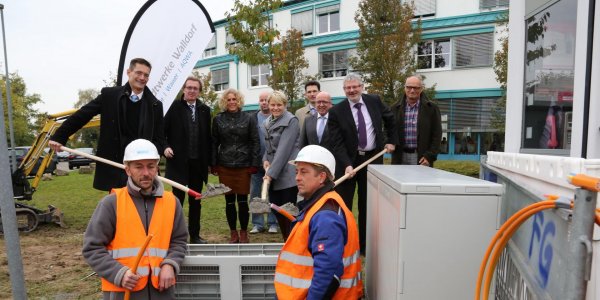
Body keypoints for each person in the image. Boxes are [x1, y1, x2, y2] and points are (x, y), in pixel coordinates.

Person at [82, 139, 188, 299]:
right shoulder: (111, 203)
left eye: (151, 166)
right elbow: (92, 248)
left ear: (157, 168)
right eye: (138, 166)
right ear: (128, 170)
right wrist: (119, 273)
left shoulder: (172, 202)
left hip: (162, 291)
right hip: (123, 292)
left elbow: (179, 241)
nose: (146, 173)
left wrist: (170, 264)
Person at [49, 58, 166, 191]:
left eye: (146, 75)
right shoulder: (110, 96)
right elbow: (82, 115)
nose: (142, 77)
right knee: (116, 209)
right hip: (115, 168)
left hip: (141, 170)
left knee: (143, 210)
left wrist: (152, 163)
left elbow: (159, 139)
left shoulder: (155, 105)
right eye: (138, 73)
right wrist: (60, 136)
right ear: (129, 72)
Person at [274, 145, 363, 299]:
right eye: (296, 171)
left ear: (321, 177)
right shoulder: (318, 206)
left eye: (304, 171)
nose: (297, 177)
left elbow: (327, 275)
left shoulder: (326, 216)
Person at [327, 73, 398, 255]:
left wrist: (392, 141)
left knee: (368, 205)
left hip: (373, 159)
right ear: (344, 90)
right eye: (347, 88)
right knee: (344, 205)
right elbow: (336, 142)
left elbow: (390, 119)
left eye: (355, 87)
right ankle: (344, 244)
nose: (351, 91)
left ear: (362, 86)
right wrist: (346, 164)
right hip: (348, 162)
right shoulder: (336, 111)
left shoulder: (374, 101)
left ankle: (365, 246)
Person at [163, 76, 212, 244]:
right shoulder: (173, 107)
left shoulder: (205, 110)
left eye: (195, 88)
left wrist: (210, 162)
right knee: (176, 203)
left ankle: (195, 236)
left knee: (196, 203)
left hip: (197, 166)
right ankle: (175, 237)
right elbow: (161, 132)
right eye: (189, 87)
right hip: (178, 164)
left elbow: (208, 138)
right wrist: (165, 147)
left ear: (199, 91)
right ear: (184, 89)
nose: (192, 91)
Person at [211, 88, 260, 243]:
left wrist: (254, 163)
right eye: (229, 99)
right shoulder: (218, 119)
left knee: (243, 200)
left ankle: (244, 232)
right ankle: (233, 232)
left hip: (244, 165)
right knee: (229, 201)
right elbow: (214, 143)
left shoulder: (249, 118)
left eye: (234, 99)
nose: (232, 102)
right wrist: (213, 164)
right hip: (225, 165)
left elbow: (255, 141)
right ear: (224, 102)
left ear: (239, 101)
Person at [262, 91, 300, 241]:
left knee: (288, 213)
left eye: (279, 105)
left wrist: (270, 174)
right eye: (273, 104)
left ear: (285, 105)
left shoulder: (292, 121)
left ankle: (292, 242)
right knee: (277, 209)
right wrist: (265, 160)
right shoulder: (267, 122)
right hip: (273, 172)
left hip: (287, 174)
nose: (276, 108)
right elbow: (268, 147)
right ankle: (287, 241)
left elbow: (284, 150)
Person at [391, 75, 442, 167]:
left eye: (416, 88)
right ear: (404, 88)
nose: (412, 90)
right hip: (399, 156)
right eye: (409, 87)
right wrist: (389, 142)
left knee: (420, 182)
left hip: (422, 158)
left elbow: (437, 135)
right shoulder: (395, 108)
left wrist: (429, 156)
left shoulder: (431, 108)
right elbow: (389, 130)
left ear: (421, 89)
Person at [249, 90, 279, 234]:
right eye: (261, 100)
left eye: (266, 100)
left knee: (272, 193)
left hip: (273, 162)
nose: (264, 102)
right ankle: (257, 224)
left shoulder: (278, 117)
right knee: (255, 193)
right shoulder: (252, 118)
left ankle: (273, 223)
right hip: (256, 162)